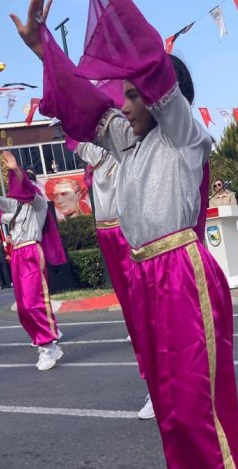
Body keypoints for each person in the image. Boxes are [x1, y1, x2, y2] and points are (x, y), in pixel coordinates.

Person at [17, 0, 238, 468]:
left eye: (136, 96)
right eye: (126, 95)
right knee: (167, 406)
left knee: (195, 406)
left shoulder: (185, 136)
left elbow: (152, 64)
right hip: (145, 277)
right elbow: (82, 99)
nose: (125, 103)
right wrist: (42, 48)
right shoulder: (126, 141)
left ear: (166, 99)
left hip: (182, 272)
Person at [75, 137, 155, 419]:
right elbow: (75, 137)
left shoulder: (122, 146)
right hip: (109, 234)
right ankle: (157, 385)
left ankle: (168, 382)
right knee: (135, 317)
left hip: (130, 231)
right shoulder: (98, 156)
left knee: (149, 311)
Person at [0, 152, 65, 370]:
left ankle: (49, 346)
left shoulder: (38, 204)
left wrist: (15, 170)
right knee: (23, 307)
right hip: (17, 255)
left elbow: (28, 192)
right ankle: (40, 338)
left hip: (32, 251)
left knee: (34, 301)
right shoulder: (14, 207)